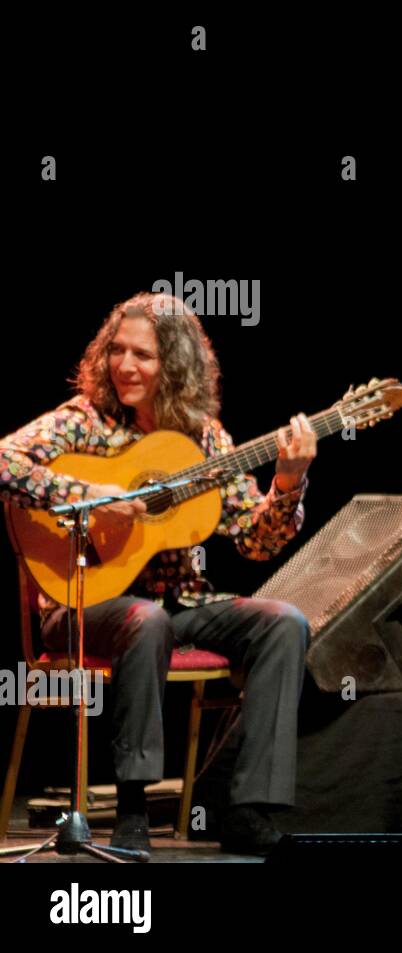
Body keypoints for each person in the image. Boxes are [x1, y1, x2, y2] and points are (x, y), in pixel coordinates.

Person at [0, 291, 317, 856]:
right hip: (82, 604)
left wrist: (287, 484)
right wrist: (91, 495)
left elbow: (255, 538)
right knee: (145, 620)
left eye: (142, 355)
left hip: (181, 605)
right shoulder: (84, 423)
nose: (124, 366)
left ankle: (248, 808)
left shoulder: (207, 441)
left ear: (175, 364)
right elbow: (4, 460)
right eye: (117, 351)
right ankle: (132, 809)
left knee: (283, 621)